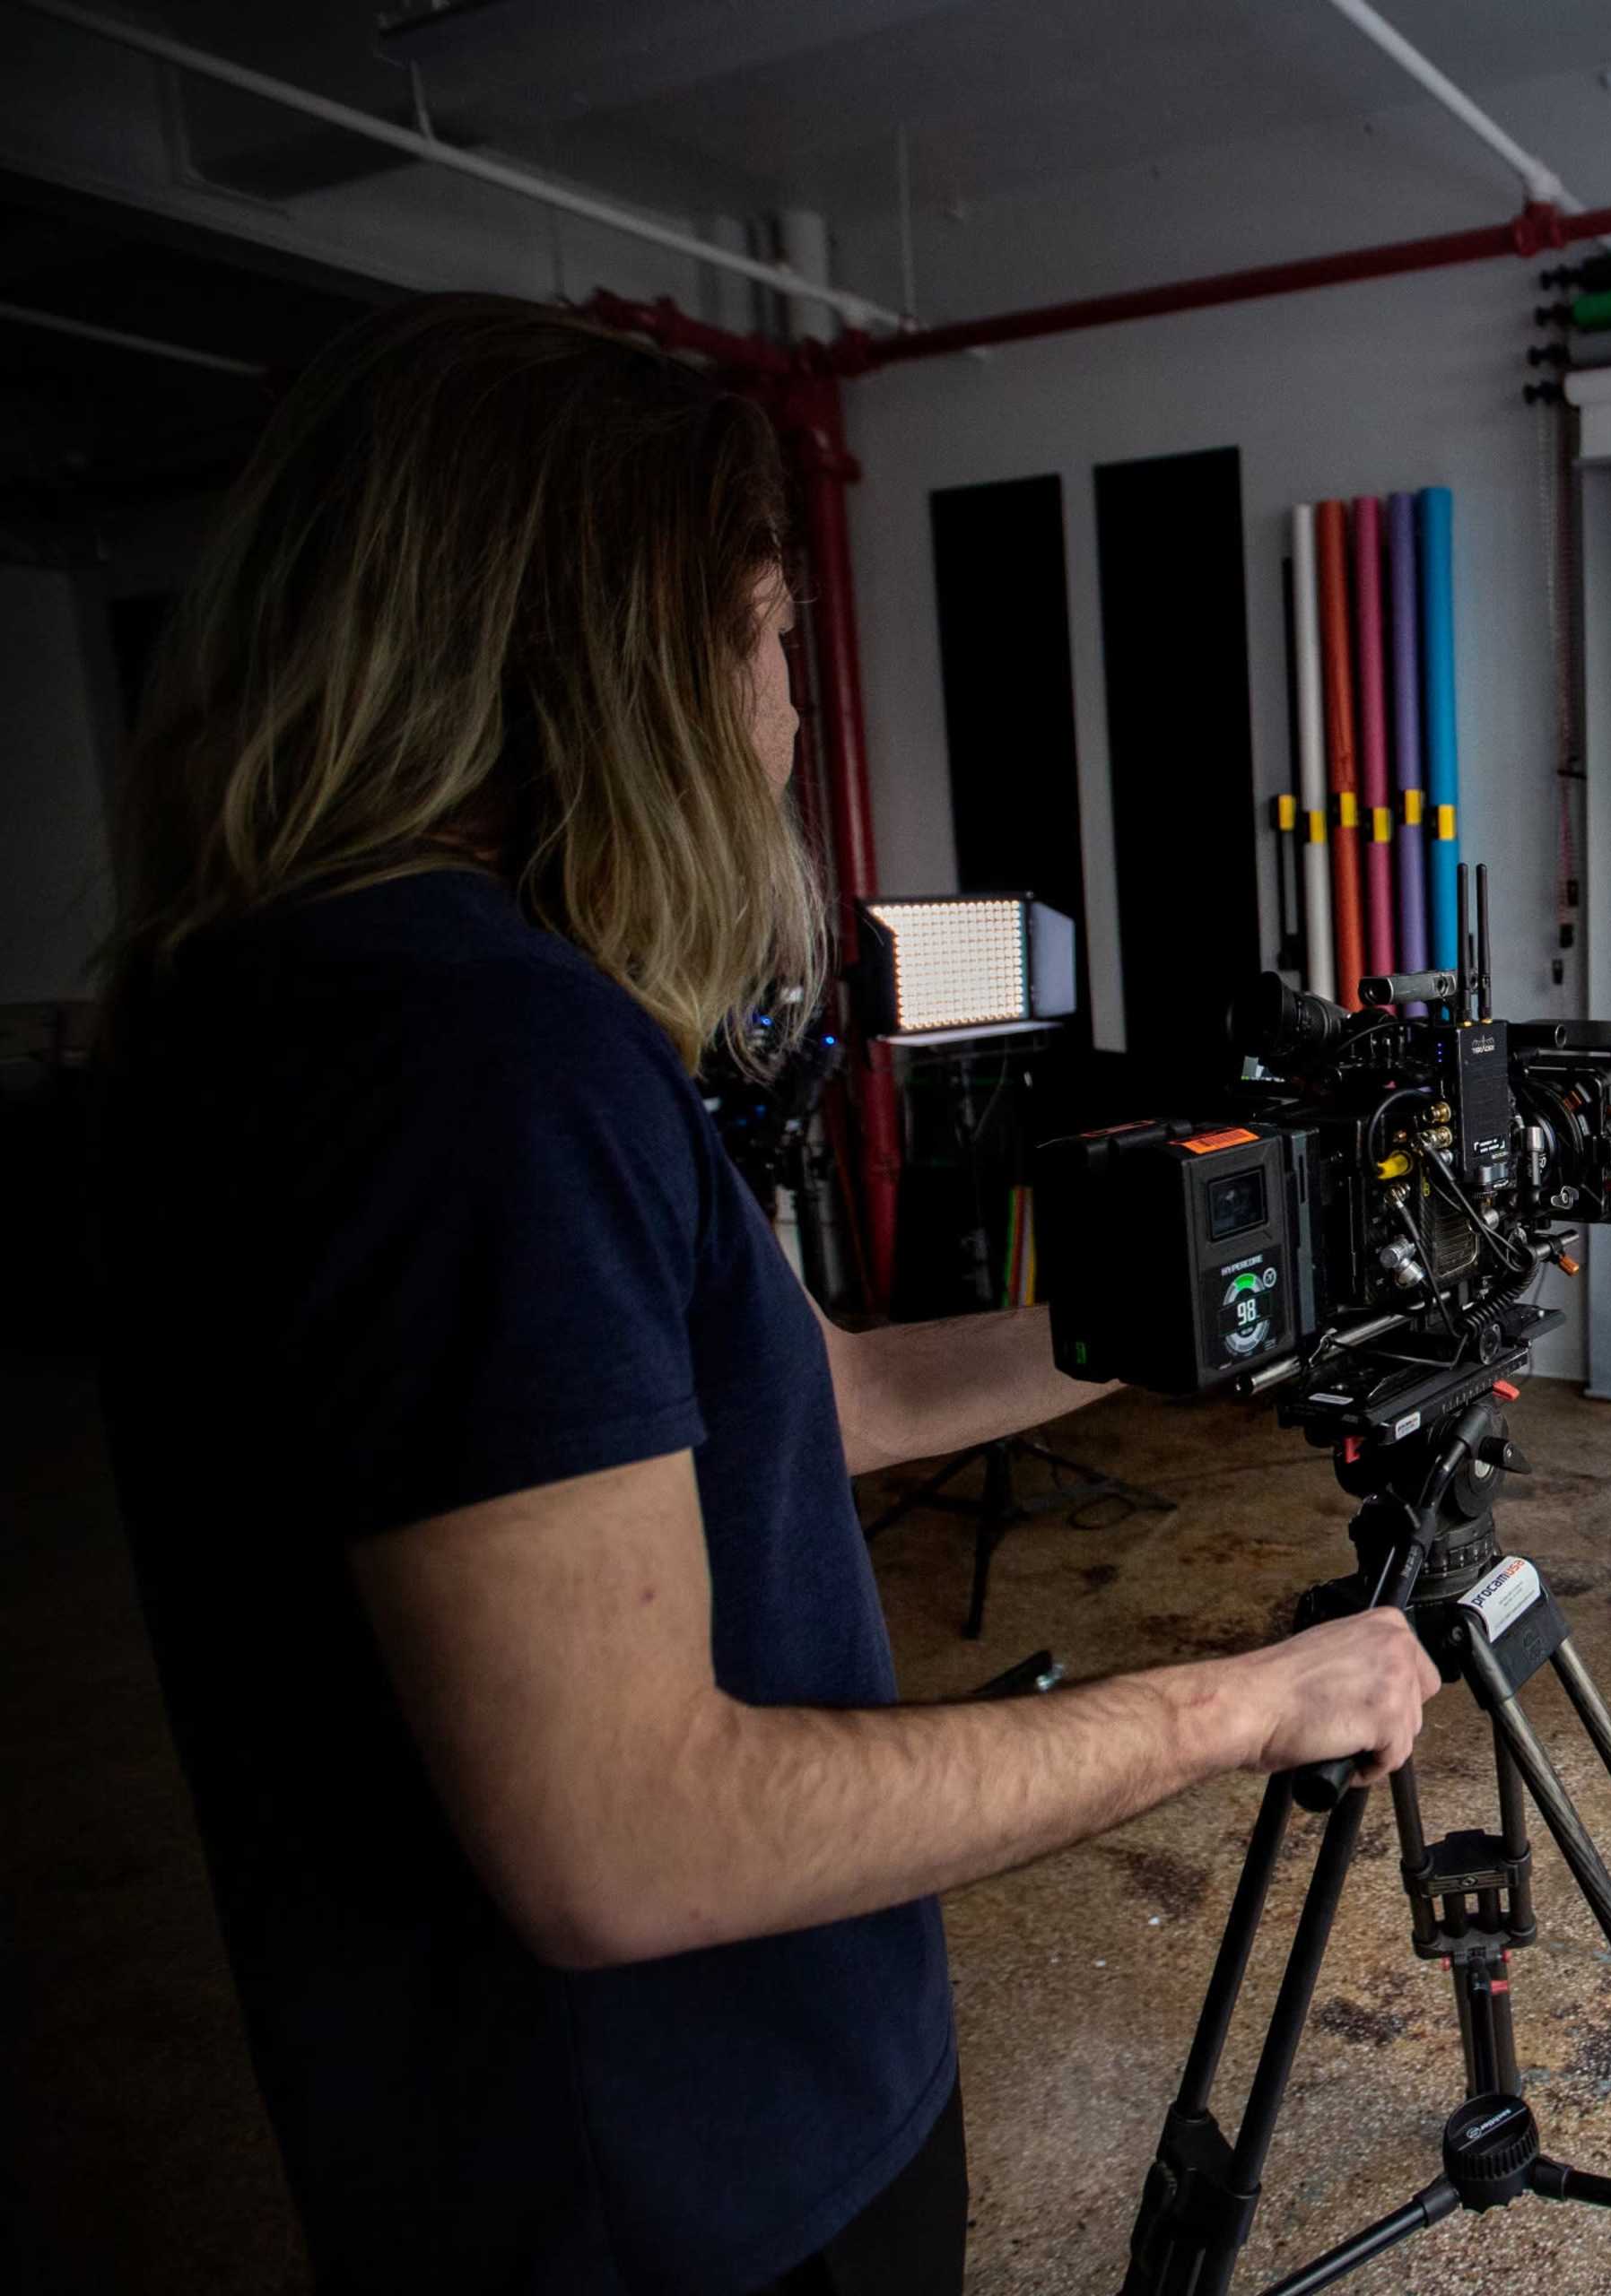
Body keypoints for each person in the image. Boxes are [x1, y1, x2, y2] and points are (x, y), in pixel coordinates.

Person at [90, 296, 1441, 2296]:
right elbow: (635, 1828)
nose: (796, 714)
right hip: (689, 2188)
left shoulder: (294, 1002)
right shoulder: (484, 1058)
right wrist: (1250, 1698)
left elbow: (827, 1395)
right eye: (779, 636)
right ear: (635, 655)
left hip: (524, 2142)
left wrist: (1218, 1309)